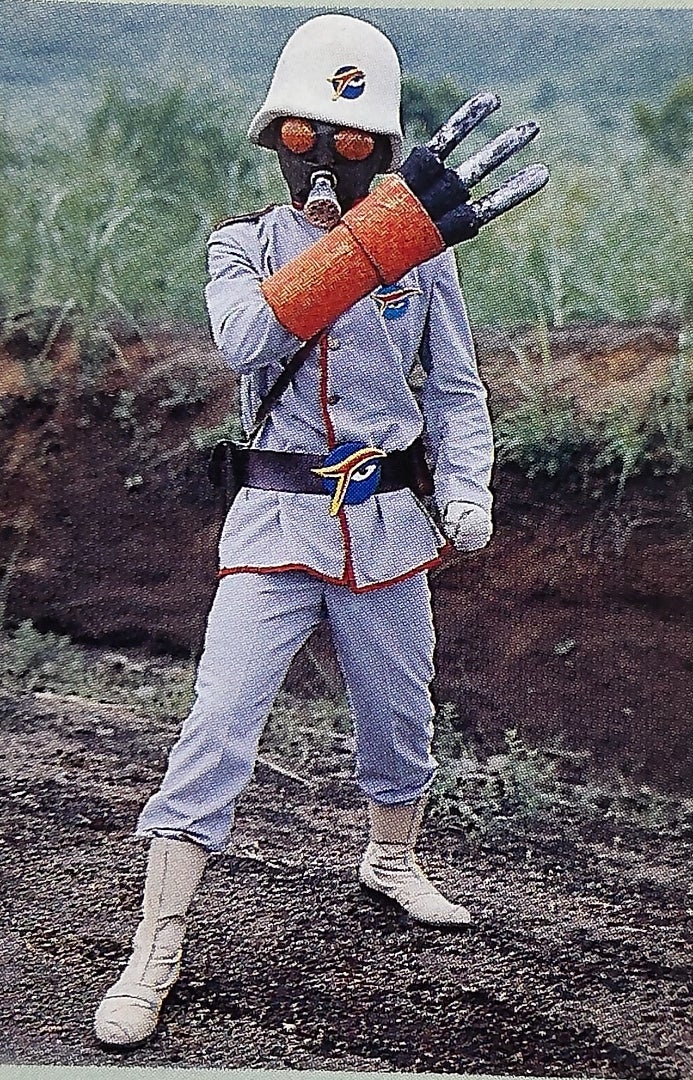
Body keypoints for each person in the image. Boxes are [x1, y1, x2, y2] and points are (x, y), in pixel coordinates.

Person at [94, 12, 547, 1047]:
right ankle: (156, 940)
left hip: (383, 523)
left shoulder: (426, 259)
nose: (326, 161)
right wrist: (369, 242)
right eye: (304, 137)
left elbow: (455, 388)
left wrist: (466, 487)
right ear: (274, 140)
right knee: (219, 719)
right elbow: (249, 338)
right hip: (276, 522)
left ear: (381, 150)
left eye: (351, 143)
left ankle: (391, 857)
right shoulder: (243, 244)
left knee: (398, 713)